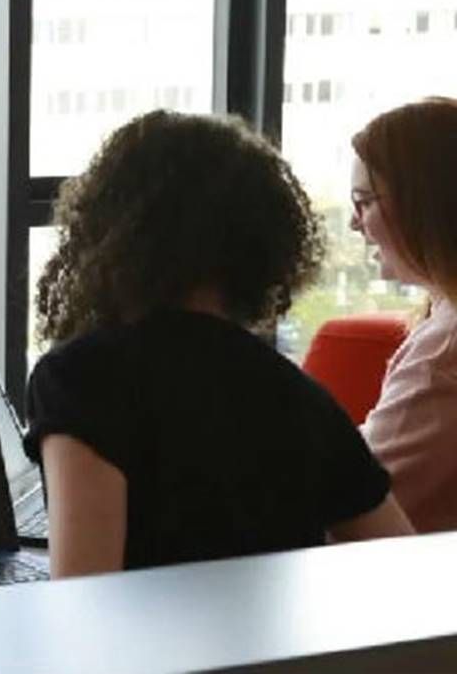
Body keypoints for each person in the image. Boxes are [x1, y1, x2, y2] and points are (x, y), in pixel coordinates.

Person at [24, 110, 413, 579]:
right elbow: (406, 565)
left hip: (148, 632)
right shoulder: (296, 394)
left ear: (110, 233)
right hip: (276, 633)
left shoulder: (80, 379)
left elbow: (82, 595)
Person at [350, 97, 457, 533]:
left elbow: (353, 506)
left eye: (364, 201)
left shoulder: (443, 356)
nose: (355, 223)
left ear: (424, 205)